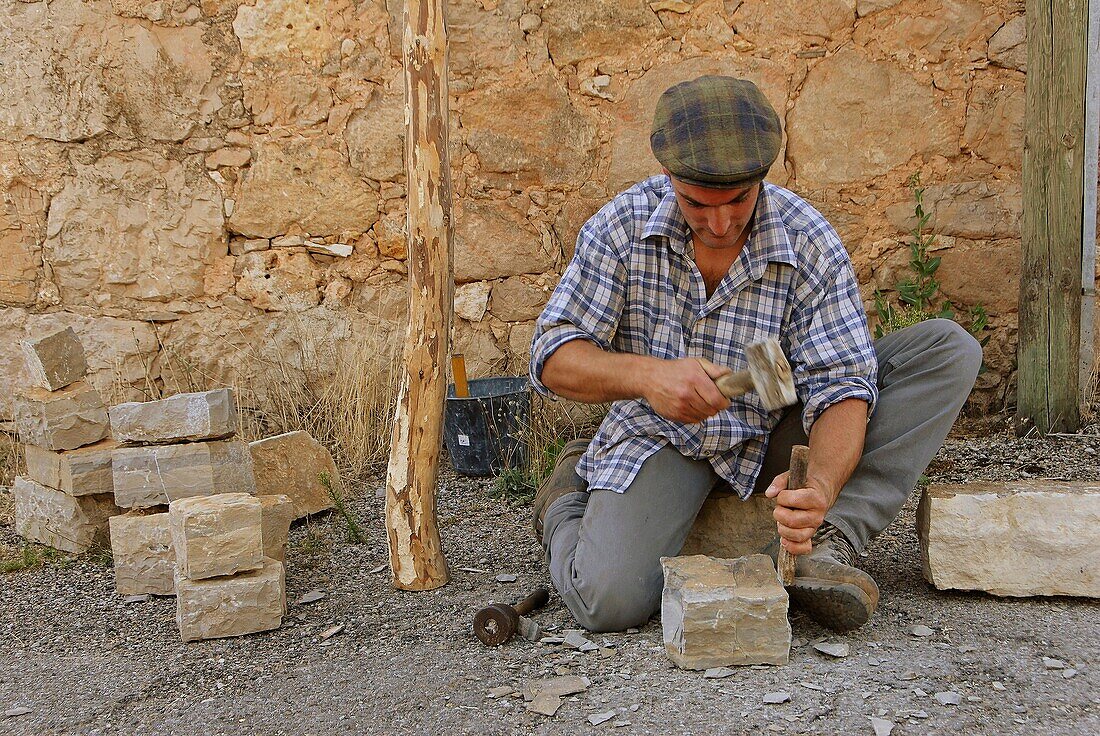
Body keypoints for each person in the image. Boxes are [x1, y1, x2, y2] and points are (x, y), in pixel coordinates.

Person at [527, 75, 982, 634]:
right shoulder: (621, 227)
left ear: (763, 179)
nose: (719, 225)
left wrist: (817, 488)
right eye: (697, 204)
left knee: (945, 352)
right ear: (668, 177)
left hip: (776, 423)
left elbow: (841, 384)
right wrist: (648, 377)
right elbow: (551, 356)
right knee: (608, 602)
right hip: (667, 437)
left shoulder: (806, 239)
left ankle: (825, 540)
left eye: (738, 201)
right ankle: (568, 497)